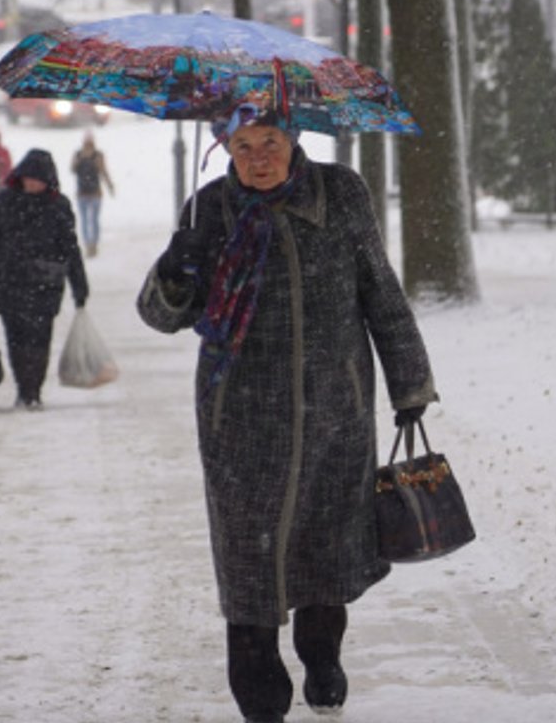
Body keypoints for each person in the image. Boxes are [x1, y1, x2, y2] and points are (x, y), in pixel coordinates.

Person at [135, 103, 438, 723]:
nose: (258, 159)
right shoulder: (209, 210)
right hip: (239, 419)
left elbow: (379, 288)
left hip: (336, 411)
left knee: (326, 550)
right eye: (242, 146)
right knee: (249, 557)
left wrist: (409, 386)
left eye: (269, 141)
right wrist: (175, 267)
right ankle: (259, 692)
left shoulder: (341, 194)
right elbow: (163, 316)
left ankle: (321, 655)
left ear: (294, 139)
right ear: (224, 148)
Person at [0, 149, 88, 410]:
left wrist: (80, 285)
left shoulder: (58, 206)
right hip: (9, 285)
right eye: (28, 178)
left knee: (40, 340)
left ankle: (34, 389)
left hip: (45, 285)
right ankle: (24, 388)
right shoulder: (3, 203)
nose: (32, 183)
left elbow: (70, 248)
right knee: (16, 340)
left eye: (38, 179)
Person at [70, 131, 115, 257]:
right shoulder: (81, 155)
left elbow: (103, 171)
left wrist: (110, 185)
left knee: (90, 220)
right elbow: (73, 169)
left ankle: (92, 244)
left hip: (91, 193)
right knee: (89, 220)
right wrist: (110, 185)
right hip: (86, 193)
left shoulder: (95, 155)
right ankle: (90, 244)